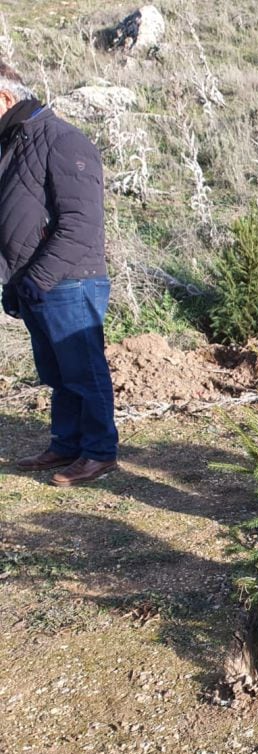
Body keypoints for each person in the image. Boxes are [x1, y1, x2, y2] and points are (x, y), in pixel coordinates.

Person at [0, 63, 118, 486]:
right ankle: (66, 443)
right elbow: (17, 220)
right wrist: (13, 280)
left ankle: (99, 452)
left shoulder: (62, 140)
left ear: (5, 99)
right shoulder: (14, 141)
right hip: (35, 282)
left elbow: (80, 223)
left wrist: (37, 278)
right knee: (56, 371)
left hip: (70, 280)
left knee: (84, 370)